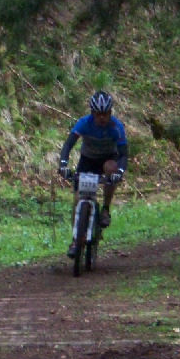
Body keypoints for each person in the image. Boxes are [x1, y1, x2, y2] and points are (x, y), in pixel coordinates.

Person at [58, 90, 128, 258]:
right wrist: (63, 165)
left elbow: (124, 154)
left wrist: (119, 171)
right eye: (98, 114)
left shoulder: (116, 127)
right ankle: (76, 239)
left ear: (110, 113)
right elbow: (68, 145)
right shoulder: (84, 123)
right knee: (77, 199)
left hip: (107, 160)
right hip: (88, 161)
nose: (102, 118)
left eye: (105, 114)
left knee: (111, 169)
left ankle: (105, 209)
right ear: (92, 113)